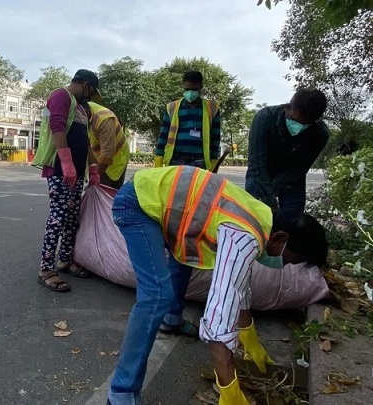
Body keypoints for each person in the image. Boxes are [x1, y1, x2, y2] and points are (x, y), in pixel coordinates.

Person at [107, 165, 328, 405]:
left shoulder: (262, 217)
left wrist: (248, 334)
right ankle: (121, 393)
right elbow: (219, 315)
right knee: (157, 296)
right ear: (281, 238)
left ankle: (171, 320)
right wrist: (229, 388)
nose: (282, 265)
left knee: (181, 265)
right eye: (286, 259)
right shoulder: (244, 236)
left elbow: (239, 280)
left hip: (168, 205)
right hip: (139, 203)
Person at [32, 69, 101, 292]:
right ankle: (46, 268)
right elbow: (57, 128)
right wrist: (67, 162)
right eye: (90, 91)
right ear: (84, 84)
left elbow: (86, 140)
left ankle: (65, 260)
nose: (90, 97)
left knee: (72, 218)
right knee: (58, 217)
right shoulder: (61, 95)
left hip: (76, 172)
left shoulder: (82, 108)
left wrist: (92, 166)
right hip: (60, 170)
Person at [245, 89, 329, 219]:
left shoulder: (320, 133)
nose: (299, 127)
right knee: (253, 219)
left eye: (305, 124)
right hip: (260, 174)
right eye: (296, 120)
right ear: (290, 108)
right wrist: (269, 200)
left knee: (291, 222)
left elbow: (299, 169)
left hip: (292, 179)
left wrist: (273, 195)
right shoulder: (264, 118)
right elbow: (256, 163)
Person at [154, 71, 221, 170]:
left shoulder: (212, 108)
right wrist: (159, 157)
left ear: (200, 87)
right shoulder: (172, 107)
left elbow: (215, 138)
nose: (190, 93)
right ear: (183, 87)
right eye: (187, 89)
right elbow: (163, 135)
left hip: (200, 161)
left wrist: (214, 159)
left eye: (194, 89)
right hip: (176, 160)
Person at [83, 101, 130, 189]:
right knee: (97, 188)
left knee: (109, 193)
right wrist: (93, 171)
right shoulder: (84, 117)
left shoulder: (104, 119)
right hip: (100, 157)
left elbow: (107, 155)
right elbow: (89, 146)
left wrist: (96, 175)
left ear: (85, 112)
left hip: (116, 158)